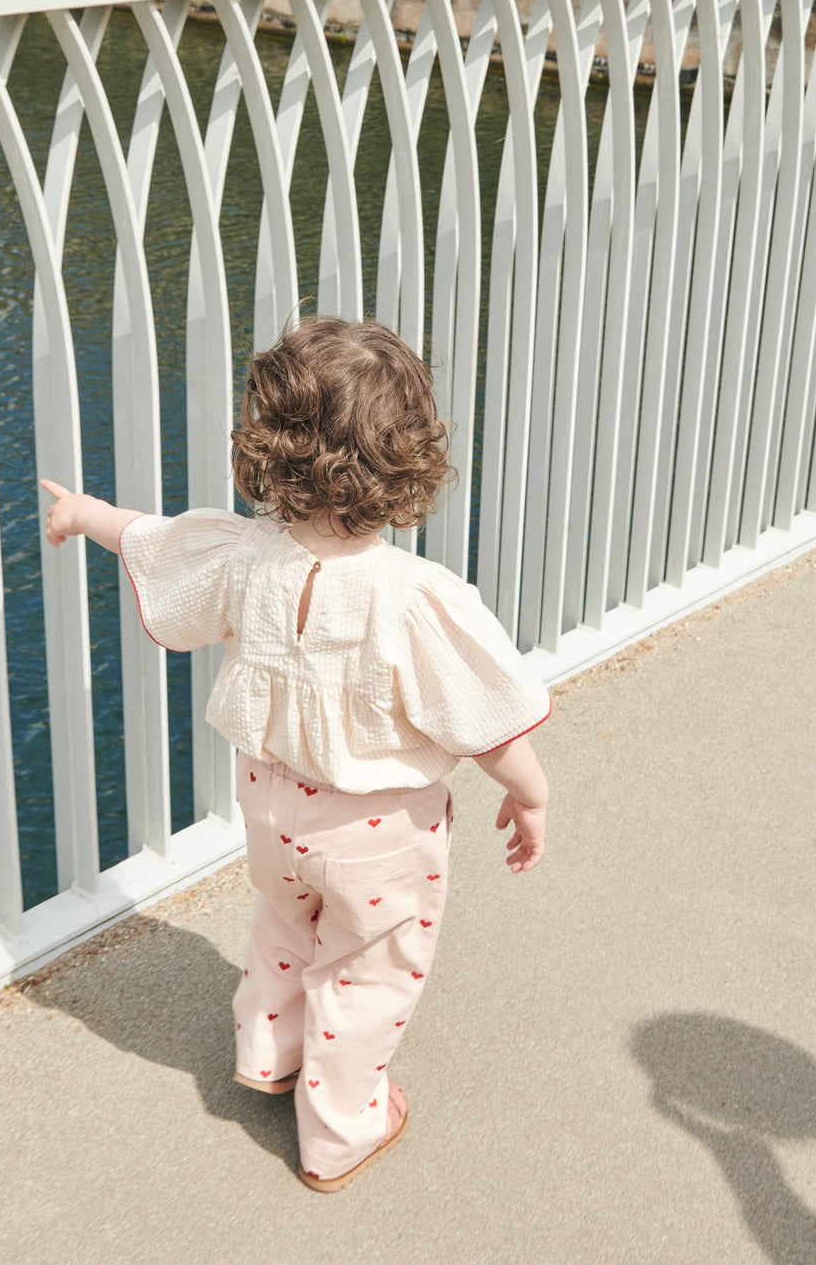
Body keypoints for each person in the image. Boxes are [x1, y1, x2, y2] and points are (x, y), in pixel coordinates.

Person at [40, 315, 550, 1192]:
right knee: (367, 967)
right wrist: (530, 795)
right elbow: (488, 722)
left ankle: (269, 1055)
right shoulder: (416, 596)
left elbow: (153, 537)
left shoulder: (245, 556)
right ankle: (341, 1133)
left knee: (286, 926)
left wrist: (84, 515)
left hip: (271, 808)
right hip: (376, 829)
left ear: (271, 450)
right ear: (408, 456)